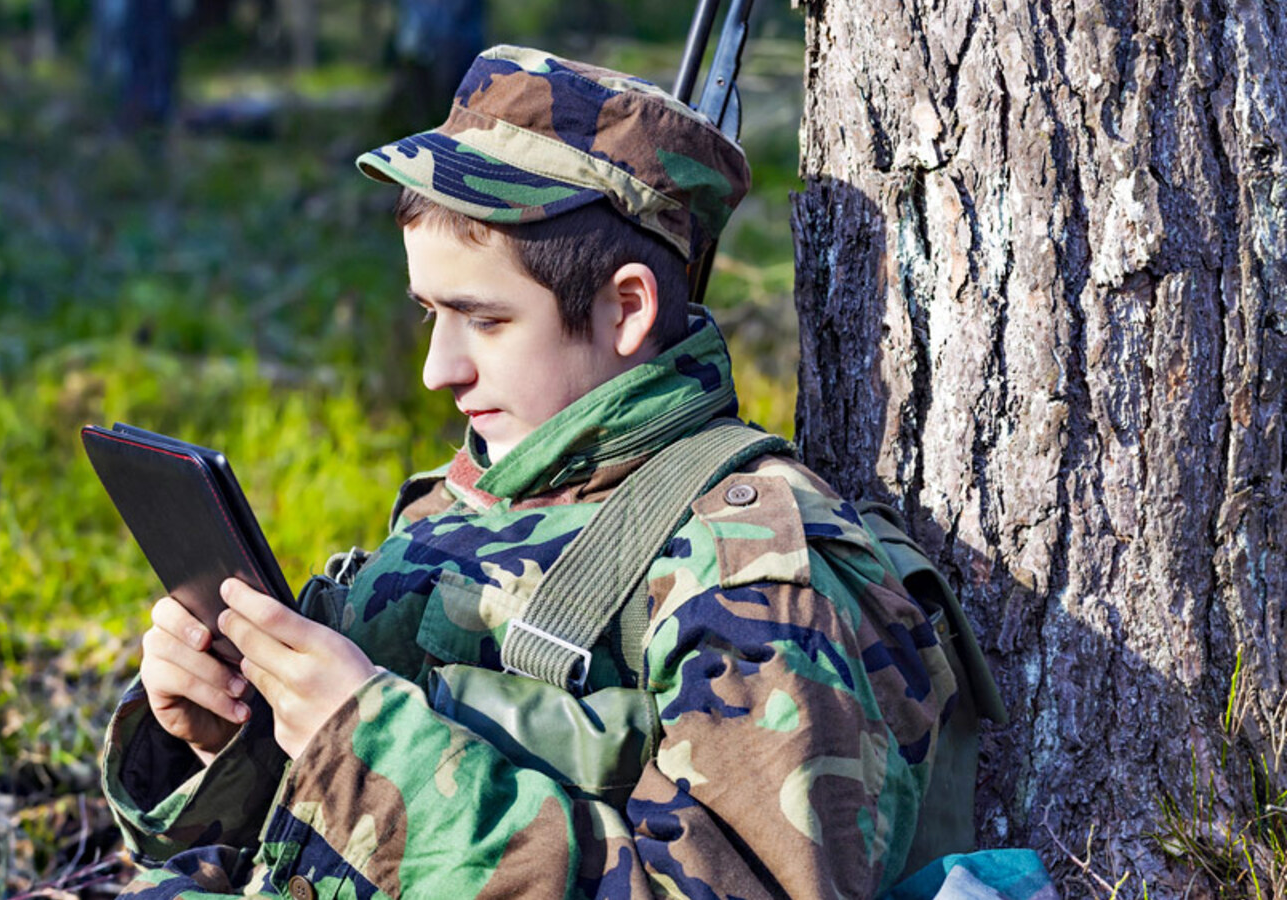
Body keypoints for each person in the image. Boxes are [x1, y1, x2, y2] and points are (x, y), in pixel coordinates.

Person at [100, 45, 958, 899]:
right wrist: (225, 738)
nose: (439, 368)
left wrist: (370, 747)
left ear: (627, 309)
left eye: (483, 319)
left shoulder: (753, 565)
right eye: (431, 312)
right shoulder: (467, 494)